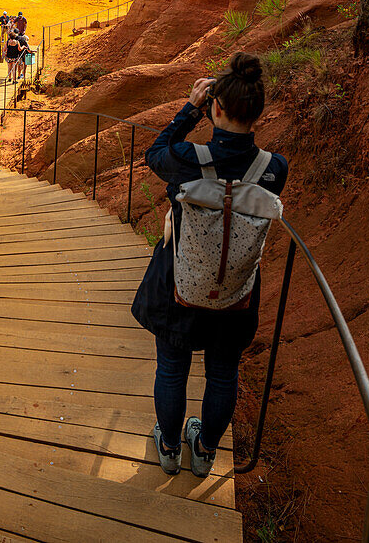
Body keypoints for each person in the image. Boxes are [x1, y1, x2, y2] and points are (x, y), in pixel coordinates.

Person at [131, 52, 288, 480]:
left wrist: (190, 108)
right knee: (222, 372)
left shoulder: (186, 158)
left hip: (180, 285)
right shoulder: (274, 169)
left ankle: (168, 444)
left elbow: (154, 152)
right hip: (237, 291)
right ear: (258, 114)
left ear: (215, 107)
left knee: (172, 368)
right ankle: (203, 451)